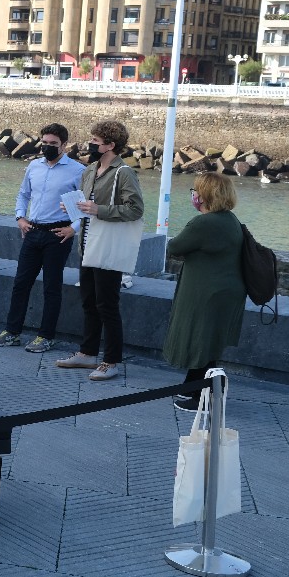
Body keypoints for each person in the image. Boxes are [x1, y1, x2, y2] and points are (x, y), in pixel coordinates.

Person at [56, 120, 144, 381]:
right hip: (88, 243)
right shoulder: (90, 169)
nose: (90, 143)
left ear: (110, 145)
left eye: (95, 140)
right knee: (89, 301)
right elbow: (87, 206)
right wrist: (73, 208)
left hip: (107, 245)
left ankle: (112, 360)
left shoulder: (124, 173)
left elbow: (136, 209)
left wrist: (99, 210)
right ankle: (87, 352)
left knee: (107, 304)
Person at [0, 123, 85, 353]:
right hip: (32, 230)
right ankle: (12, 332)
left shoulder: (77, 171)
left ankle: (46, 336)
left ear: (64, 145)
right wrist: (20, 217)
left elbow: (83, 205)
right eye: (45, 142)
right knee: (21, 283)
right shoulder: (34, 166)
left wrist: (74, 228)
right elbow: (23, 194)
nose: (48, 147)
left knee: (52, 287)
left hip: (58, 234)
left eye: (53, 144)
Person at [164, 173, 245, 411]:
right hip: (225, 291)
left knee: (200, 342)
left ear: (206, 195)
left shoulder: (204, 223)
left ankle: (201, 398)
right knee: (209, 345)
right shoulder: (230, 219)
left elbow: (174, 247)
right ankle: (193, 387)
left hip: (207, 293)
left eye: (196, 190)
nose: (193, 194)